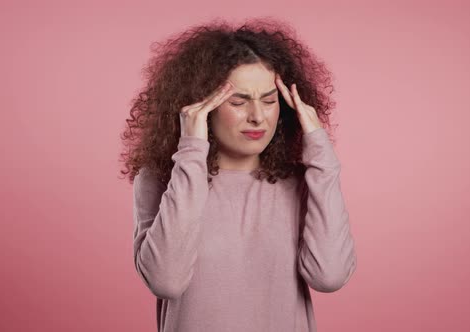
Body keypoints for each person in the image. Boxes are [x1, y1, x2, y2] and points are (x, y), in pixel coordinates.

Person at [120, 17, 357, 332]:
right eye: (238, 101)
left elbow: (329, 276)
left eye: (269, 101)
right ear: (202, 105)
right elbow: (166, 280)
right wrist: (191, 150)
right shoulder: (163, 179)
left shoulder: (301, 182)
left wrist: (322, 155)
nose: (257, 116)